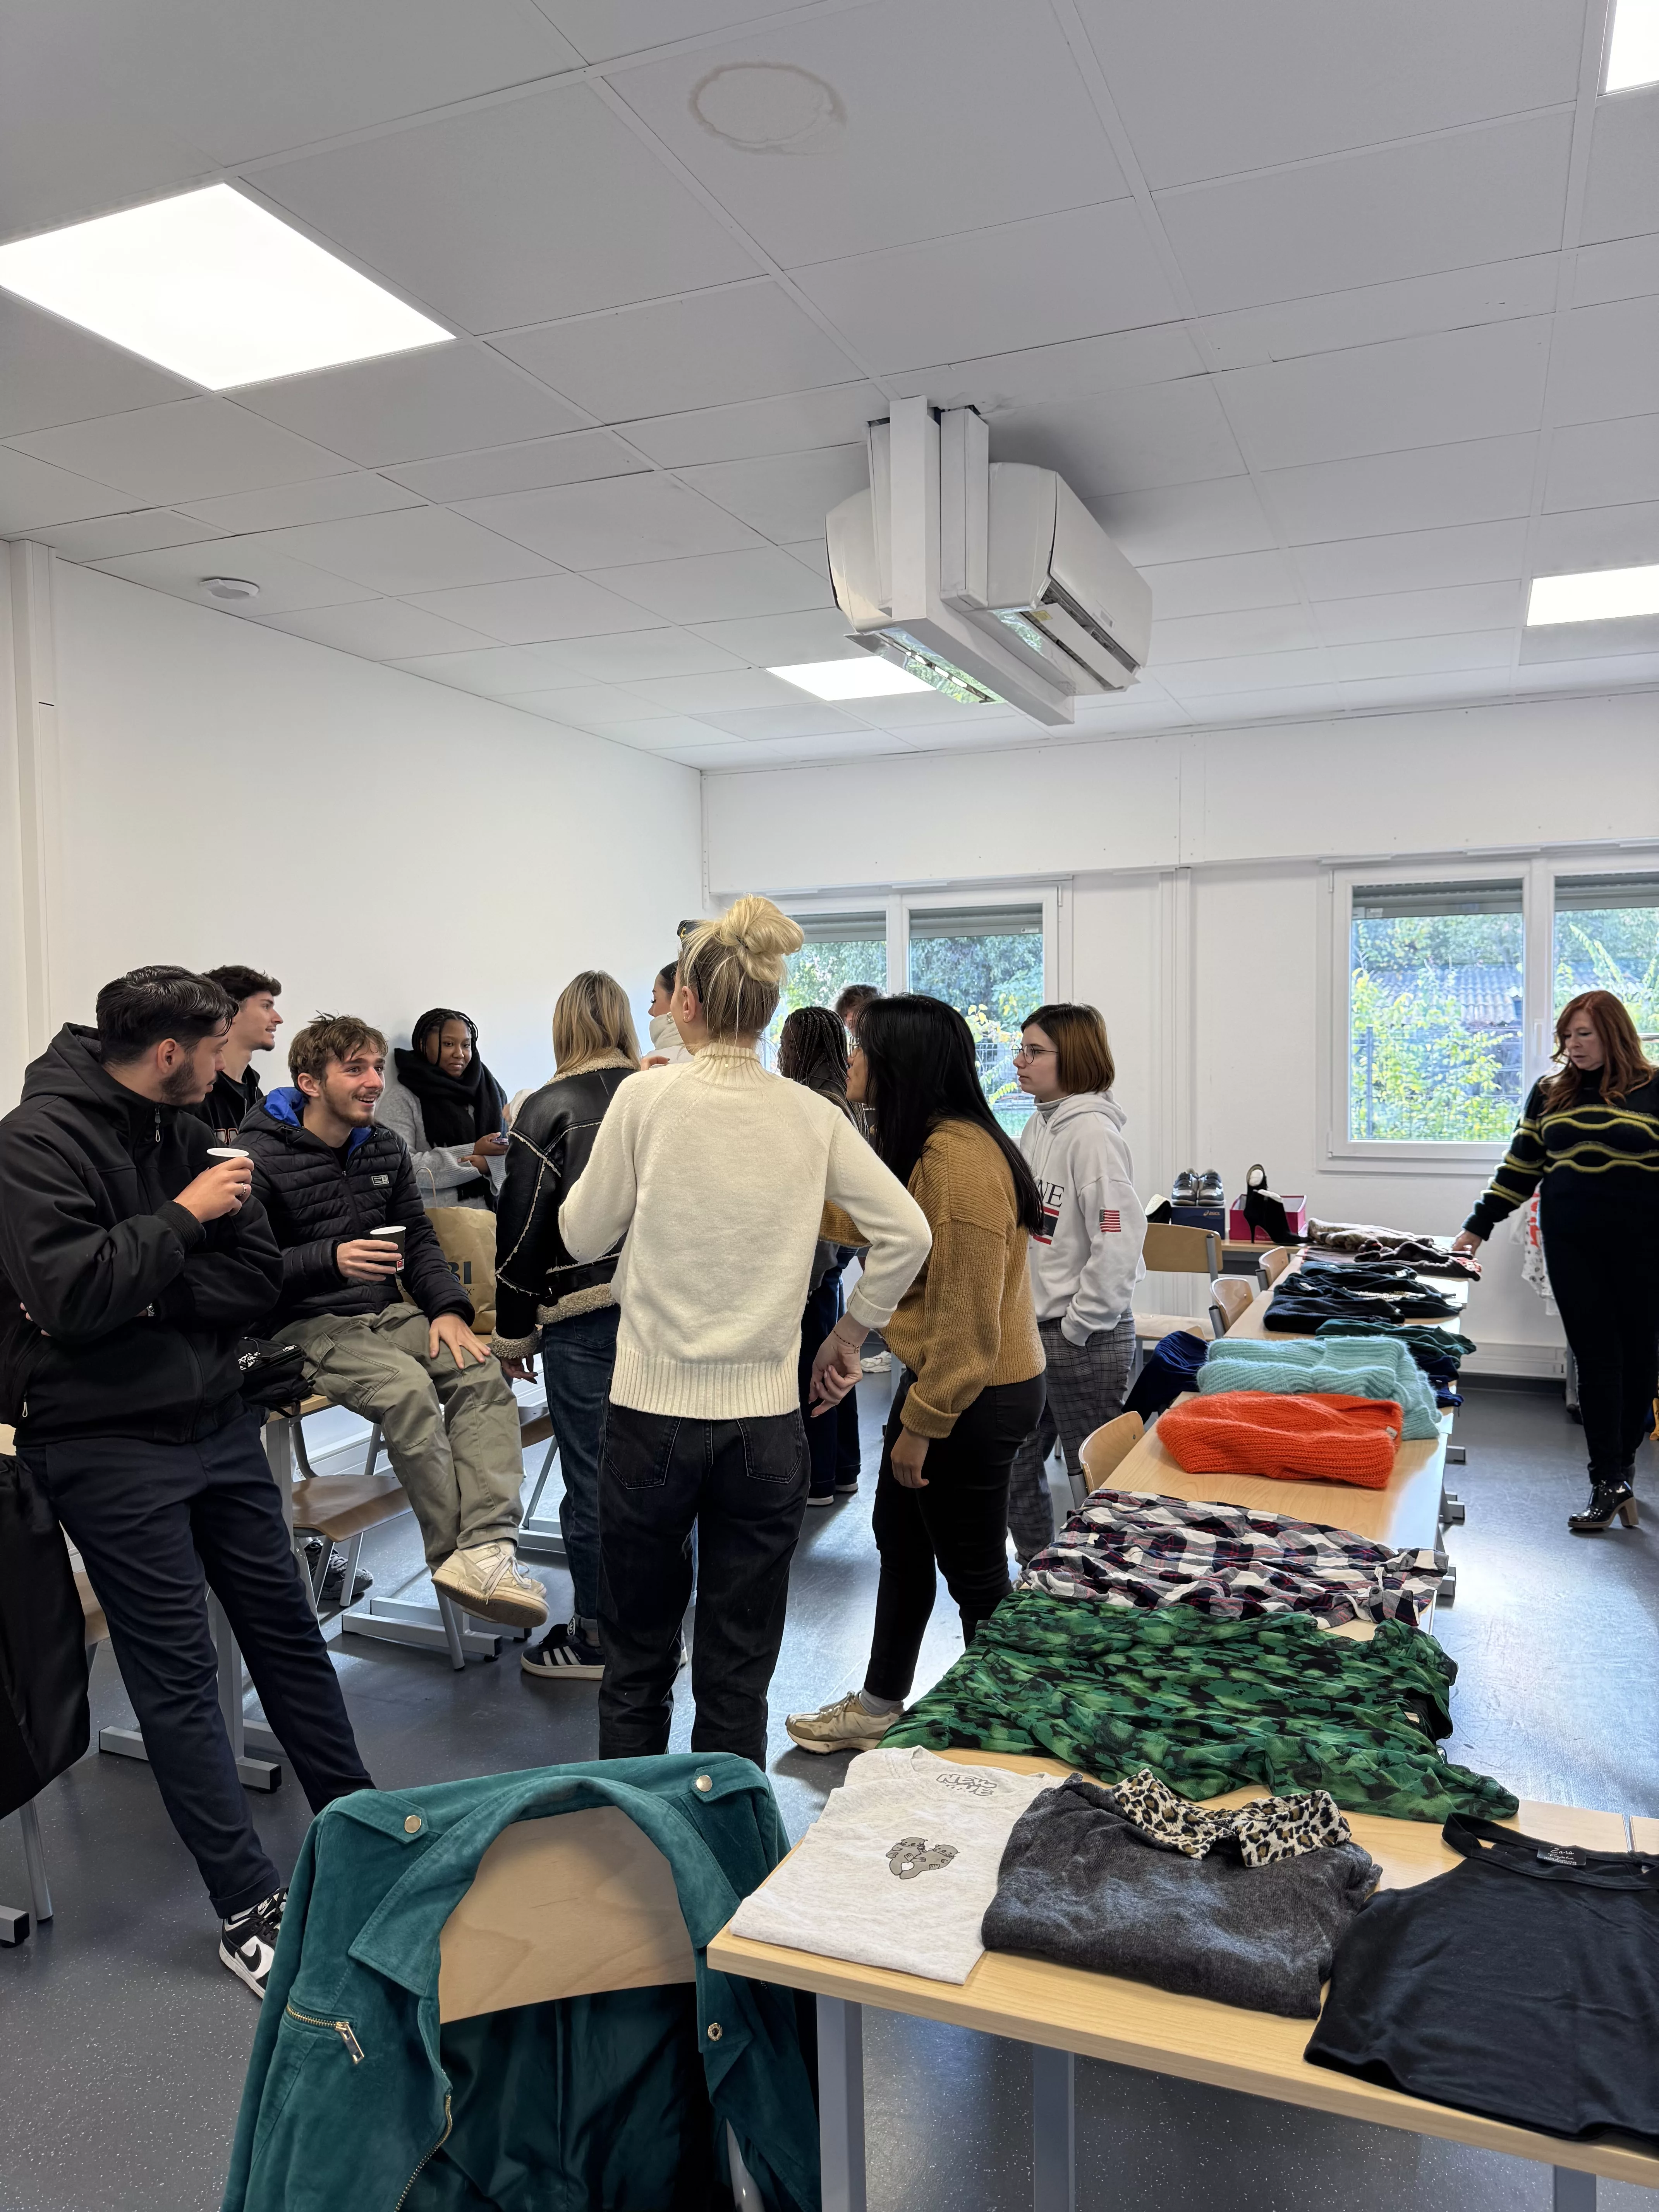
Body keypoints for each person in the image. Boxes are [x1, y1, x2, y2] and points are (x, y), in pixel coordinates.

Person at [0, 968, 371, 1997]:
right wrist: (180, 1219)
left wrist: (148, 1292)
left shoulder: (202, 1122)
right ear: (171, 1051)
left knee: (286, 1632)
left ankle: (360, 1827)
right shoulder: (35, 1143)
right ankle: (246, 1906)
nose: (233, 1067)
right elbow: (69, 1297)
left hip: (216, 1418)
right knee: (175, 1676)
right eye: (219, 1050)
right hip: (104, 1448)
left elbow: (252, 1278)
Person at [558, 897, 931, 1770]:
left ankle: (635, 1845)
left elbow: (580, 1237)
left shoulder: (646, 1098)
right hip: (766, 1427)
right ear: (765, 1012)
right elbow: (907, 1233)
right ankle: (724, 1853)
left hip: (649, 1416)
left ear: (685, 1003)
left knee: (638, 1662)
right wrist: (848, 1340)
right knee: (738, 1673)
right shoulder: (810, 1114)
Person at [787, 994, 1047, 1756]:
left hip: (972, 1393)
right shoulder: (936, 1146)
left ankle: (1004, 1737)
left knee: (974, 1574)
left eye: (861, 1050)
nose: (851, 1064)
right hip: (956, 1383)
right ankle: (877, 1706)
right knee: (901, 1543)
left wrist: (921, 1430)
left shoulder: (959, 1166)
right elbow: (877, 1225)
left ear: (898, 1064)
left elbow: (969, 1335)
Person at [239, 1015, 546, 1629]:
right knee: (406, 1393)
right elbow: (246, 1271)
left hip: (387, 1311)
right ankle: (455, 1556)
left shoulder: (381, 1147)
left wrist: (451, 1311)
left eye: (377, 1067)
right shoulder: (259, 1156)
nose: (375, 1081)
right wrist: (329, 1258)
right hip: (302, 1324)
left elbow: (422, 1243)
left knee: (479, 1371)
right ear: (309, 1082)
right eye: (355, 1069)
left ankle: (487, 1549)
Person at [1453, 989, 1659, 1534]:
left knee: (1642, 1362)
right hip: (1572, 1245)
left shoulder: (1654, 1088)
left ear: (1613, 1033)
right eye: (1567, 1036)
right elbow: (1522, 1167)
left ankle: (1625, 1459)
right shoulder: (1550, 1094)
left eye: (1584, 1034)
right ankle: (1607, 1479)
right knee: (1595, 1361)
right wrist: (1478, 1227)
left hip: (1644, 1247)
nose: (1573, 1046)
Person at [492, 972, 640, 1682]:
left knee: (591, 1483)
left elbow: (521, 1227)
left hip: (582, 1318)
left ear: (563, 1027)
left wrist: (513, 1334)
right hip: (663, 1310)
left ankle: (595, 1638)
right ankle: (653, 1628)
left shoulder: (547, 1106)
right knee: (656, 1476)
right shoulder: (655, 1093)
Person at [1003, 1002, 1147, 1562]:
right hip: (1039, 1333)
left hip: (1080, 1337)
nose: (1020, 1060)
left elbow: (1118, 1239)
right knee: (1014, 1463)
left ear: (1075, 1059)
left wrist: (1081, 1323)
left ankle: (1103, 1582)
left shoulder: (1091, 1135)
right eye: (1022, 1048)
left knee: (1094, 1482)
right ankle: (1040, 1571)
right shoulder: (1040, 1123)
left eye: (1034, 1051)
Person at [777, 1006, 864, 1506]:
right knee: (834, 1368)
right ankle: (842, 1471)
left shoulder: (813, 1103)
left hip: (813, 1260)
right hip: (834, 1257)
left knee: (815, 1371)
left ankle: (816, 1482)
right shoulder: (843, 1099)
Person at [376, 1007, 508, 1211]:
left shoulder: (492, 1092)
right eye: (448, 1044)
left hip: (498, 1219)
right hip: (437, 1226)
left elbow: (512, 1153)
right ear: (423, 1045)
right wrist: (473, 1154)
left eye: (466, 1045)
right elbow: (402, 1166)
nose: (459, 1054)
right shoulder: (403, 1099)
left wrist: (488, 1164)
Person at [190, 964, 282, 1145]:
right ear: (230, 1009)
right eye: (266, 1006)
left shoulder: (256, 1095)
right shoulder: (194, 1092)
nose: (278, 1019)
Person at [642, 961, 692, 1068]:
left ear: (686, 1000)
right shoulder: (729, 1057)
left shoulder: (650, 1066)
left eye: (654, 1000)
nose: (651, 1011)